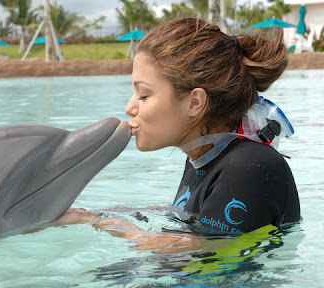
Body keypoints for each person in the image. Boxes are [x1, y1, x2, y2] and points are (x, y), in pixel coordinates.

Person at [56, 17, 301, 250]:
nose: (130, 107)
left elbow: (206, 248)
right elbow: (194, 217)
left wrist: (109, 225)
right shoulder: (205, 158)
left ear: (195, 103)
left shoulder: (250, 165)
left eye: (143, 95)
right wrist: (95, 214)